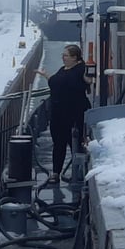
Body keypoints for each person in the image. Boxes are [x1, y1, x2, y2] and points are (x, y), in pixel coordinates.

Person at [35, 44, 92, 184]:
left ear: (75, 58)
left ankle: (78, 173)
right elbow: (55, 82)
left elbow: (88, 80)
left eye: (66, 55)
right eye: (63, 55)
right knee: (58, 144)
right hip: (58, 113)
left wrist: (90, 78)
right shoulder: (63, 69)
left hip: (74, 113)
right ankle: (56, 173)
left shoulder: (81, 70)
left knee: (75, 143)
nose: (63, 57)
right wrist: (45, 74)